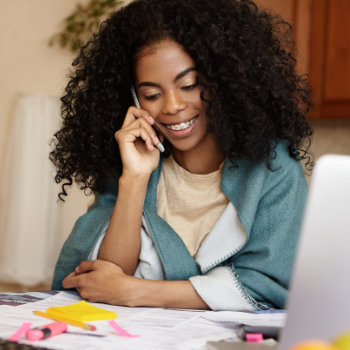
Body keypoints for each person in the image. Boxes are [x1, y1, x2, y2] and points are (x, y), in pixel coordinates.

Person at [50, 0, 313, 311]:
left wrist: (138, 291)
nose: (173, 106)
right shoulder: (128, 166)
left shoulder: (272, 167)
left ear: (223, 81)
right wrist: (135, 178)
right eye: (151, 95)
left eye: (189, 85)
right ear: (133, 99)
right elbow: (103, 282)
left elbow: (269, 285)